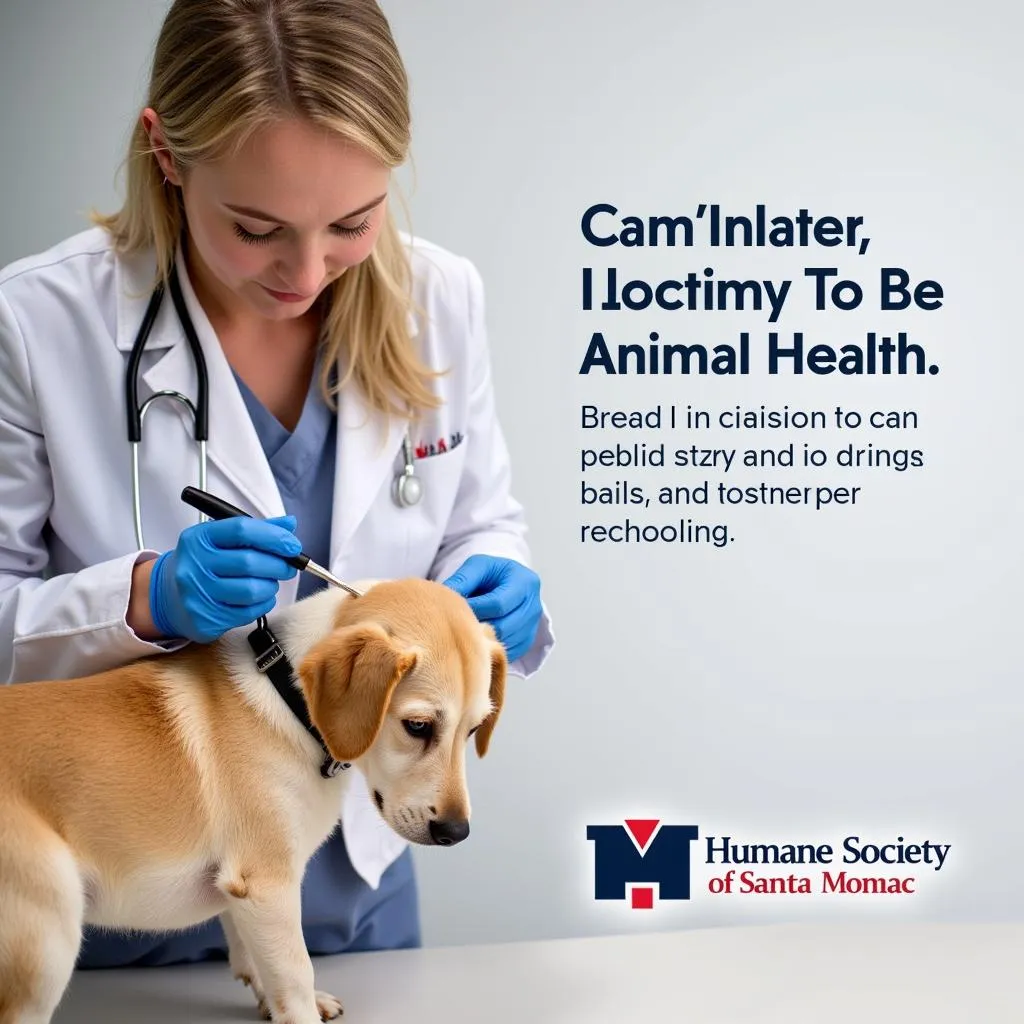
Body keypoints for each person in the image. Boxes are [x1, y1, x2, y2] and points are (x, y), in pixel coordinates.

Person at [0, 0, 553, 968]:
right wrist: (139, 598)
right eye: (256, 228)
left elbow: (480, 520)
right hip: (120, 880)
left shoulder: (440, 300)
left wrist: (495, 575)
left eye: (352, 221)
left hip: (354, 885)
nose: (307, 272)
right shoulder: (38, 324)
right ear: (166, 156)